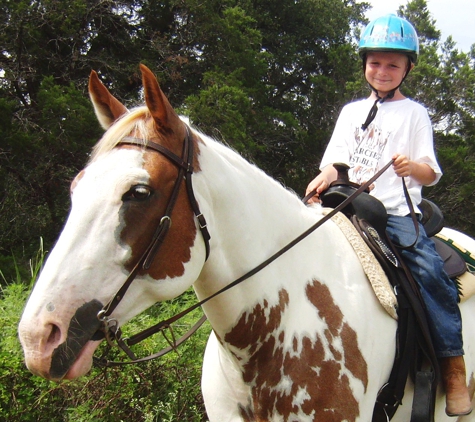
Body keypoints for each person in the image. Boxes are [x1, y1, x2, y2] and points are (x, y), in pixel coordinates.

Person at [305, 14, 472, 417]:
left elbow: (430, 173)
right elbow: (336, 164)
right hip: (346, 203)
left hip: (396, 213)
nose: (382, 71)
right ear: (364, 64)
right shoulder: (349, 112)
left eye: (393, 64)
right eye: (375, 62)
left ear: (407, 68)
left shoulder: (414, 114)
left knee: (431, 275)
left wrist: (409, 167)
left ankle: (453, 368)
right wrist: (320, 179)